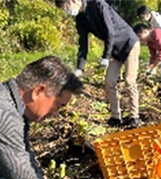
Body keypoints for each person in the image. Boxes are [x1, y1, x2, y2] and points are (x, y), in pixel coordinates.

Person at [56, 0, 141, 128]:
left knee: (129, 80)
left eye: (66, 6)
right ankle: (116, 117)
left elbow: (110, 32)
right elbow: (83, 45)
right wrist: (80, 68)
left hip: (128, 43)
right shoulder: (80, 19)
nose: (66, 10)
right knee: (109, 81)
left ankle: (135, 116)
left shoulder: (98, 5)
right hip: (114, 50)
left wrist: (105, 57)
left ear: (73, 1)